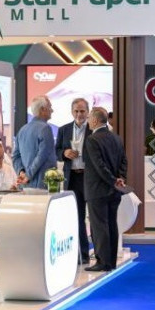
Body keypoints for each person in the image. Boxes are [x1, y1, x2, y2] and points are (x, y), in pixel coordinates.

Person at [83, 107, 127, 272]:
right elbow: (123, 161)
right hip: (114, 190)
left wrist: (113, 180)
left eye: (89, 118)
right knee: (111, 224)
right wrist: (120, 179)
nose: (88, 121)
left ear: (95, 120)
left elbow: (99, 166)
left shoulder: (92, 140)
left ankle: (102, 262)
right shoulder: (116, 138)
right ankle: (111, 261)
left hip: (97, 190)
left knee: (99, 226)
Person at [55, 98, 92, 264]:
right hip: (72, 178)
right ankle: (81, 254)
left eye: (82, 111)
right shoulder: (64, 129)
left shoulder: (93, 129)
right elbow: (56, 151)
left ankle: (99, 254)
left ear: (88, 112)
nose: (79, 114)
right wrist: (64, 153)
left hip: (90, 177)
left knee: (95, 217)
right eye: (76, 111)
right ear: (72, 112)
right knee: (77, 217)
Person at [13, 95, 56, 189]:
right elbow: (42, 156)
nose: (52, 110)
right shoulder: (46, 129)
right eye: (50, 107)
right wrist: (28, 175)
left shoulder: (22, 130)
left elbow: (15, 157)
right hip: (42, 185)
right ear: (43, 109)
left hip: (25, 185)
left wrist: (21, 172)